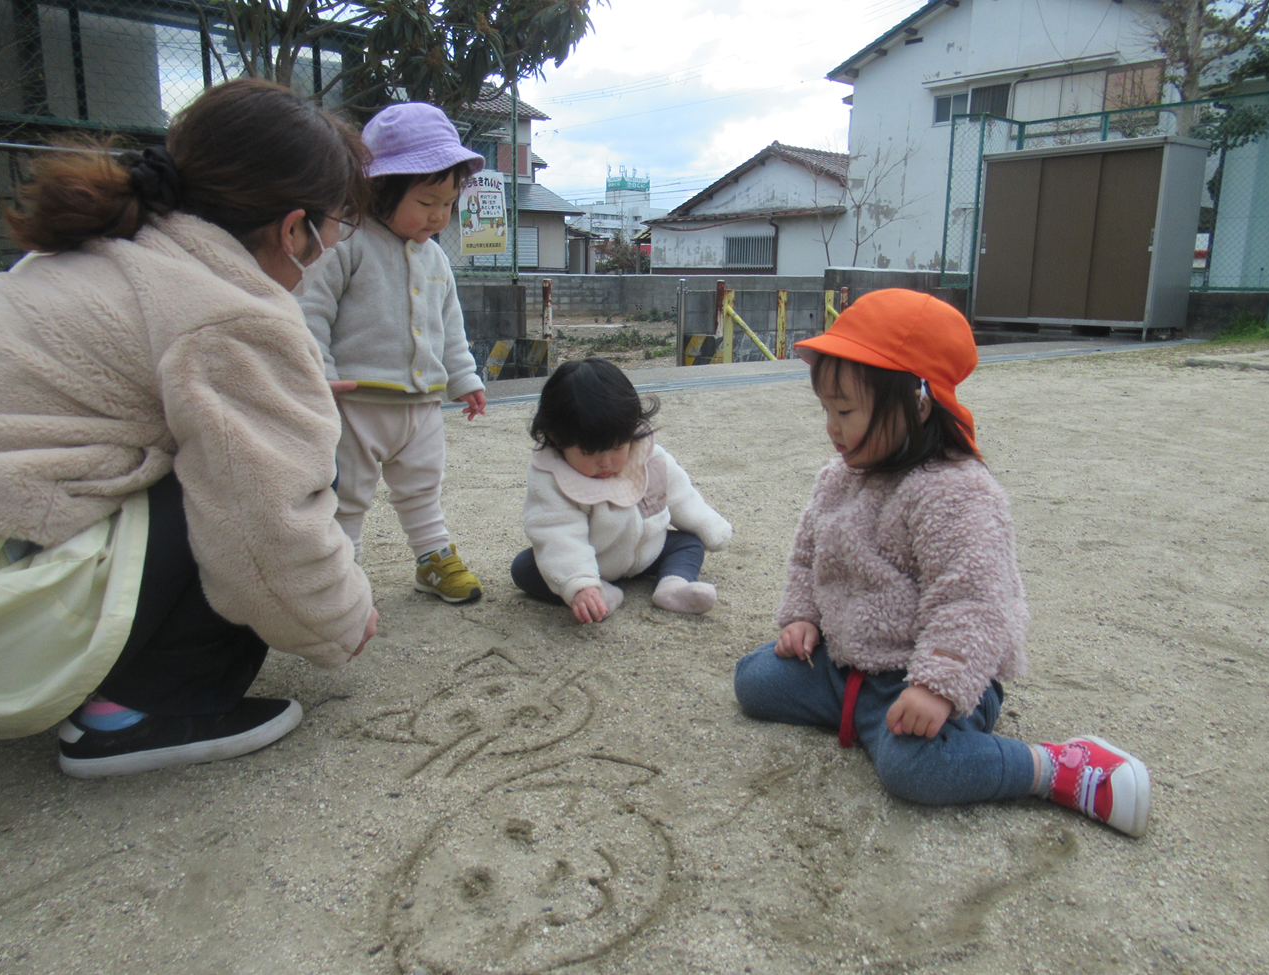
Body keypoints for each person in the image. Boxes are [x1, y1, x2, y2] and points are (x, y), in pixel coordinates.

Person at [0, 79, 379, 778]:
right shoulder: (230, 307)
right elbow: (264, 529)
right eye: (333, 227)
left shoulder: (110, 247)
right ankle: (136, 710)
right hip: (1, 621)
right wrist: (342, 617)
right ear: (294, 230)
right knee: (266, 472)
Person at [732, 289, 1151, 837]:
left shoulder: (955, 492)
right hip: (848, 665)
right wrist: (802, 618)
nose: (831, 428)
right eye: (827, 412)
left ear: (919, 402)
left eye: (846, 411)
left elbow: (975, 601)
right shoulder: (840, 477)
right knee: (754, 681)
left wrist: (938, 686)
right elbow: (807, 558)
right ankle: (870, 724)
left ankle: (1058, 767)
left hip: (929, 674)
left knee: (913, 770)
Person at [298, 102, 487, 604]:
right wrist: (321, 374)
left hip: (421, 402)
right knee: (349, 495)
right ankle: (343, 570)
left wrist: (464, 378)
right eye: (427, 200)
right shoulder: (348, 243)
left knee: (423, 485)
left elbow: (450, 324)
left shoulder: (436, 257)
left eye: (448, 203)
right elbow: (311, 311)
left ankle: (432, 558)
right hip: (357, 401)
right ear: (380, 188)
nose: (439, 215)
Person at [511, 357, 733, 623]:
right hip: (594, 558)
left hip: (647, 550)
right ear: (557, 438)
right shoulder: (553, 477)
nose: (605, 462)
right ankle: (597, 594)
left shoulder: (647, 456)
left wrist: (710, 526)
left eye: (617, 447)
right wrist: (580, 583)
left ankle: (674, 586)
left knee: (688, 542)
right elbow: (556, 531)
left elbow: (679, 493)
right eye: (589, 452)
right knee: (525, 568)